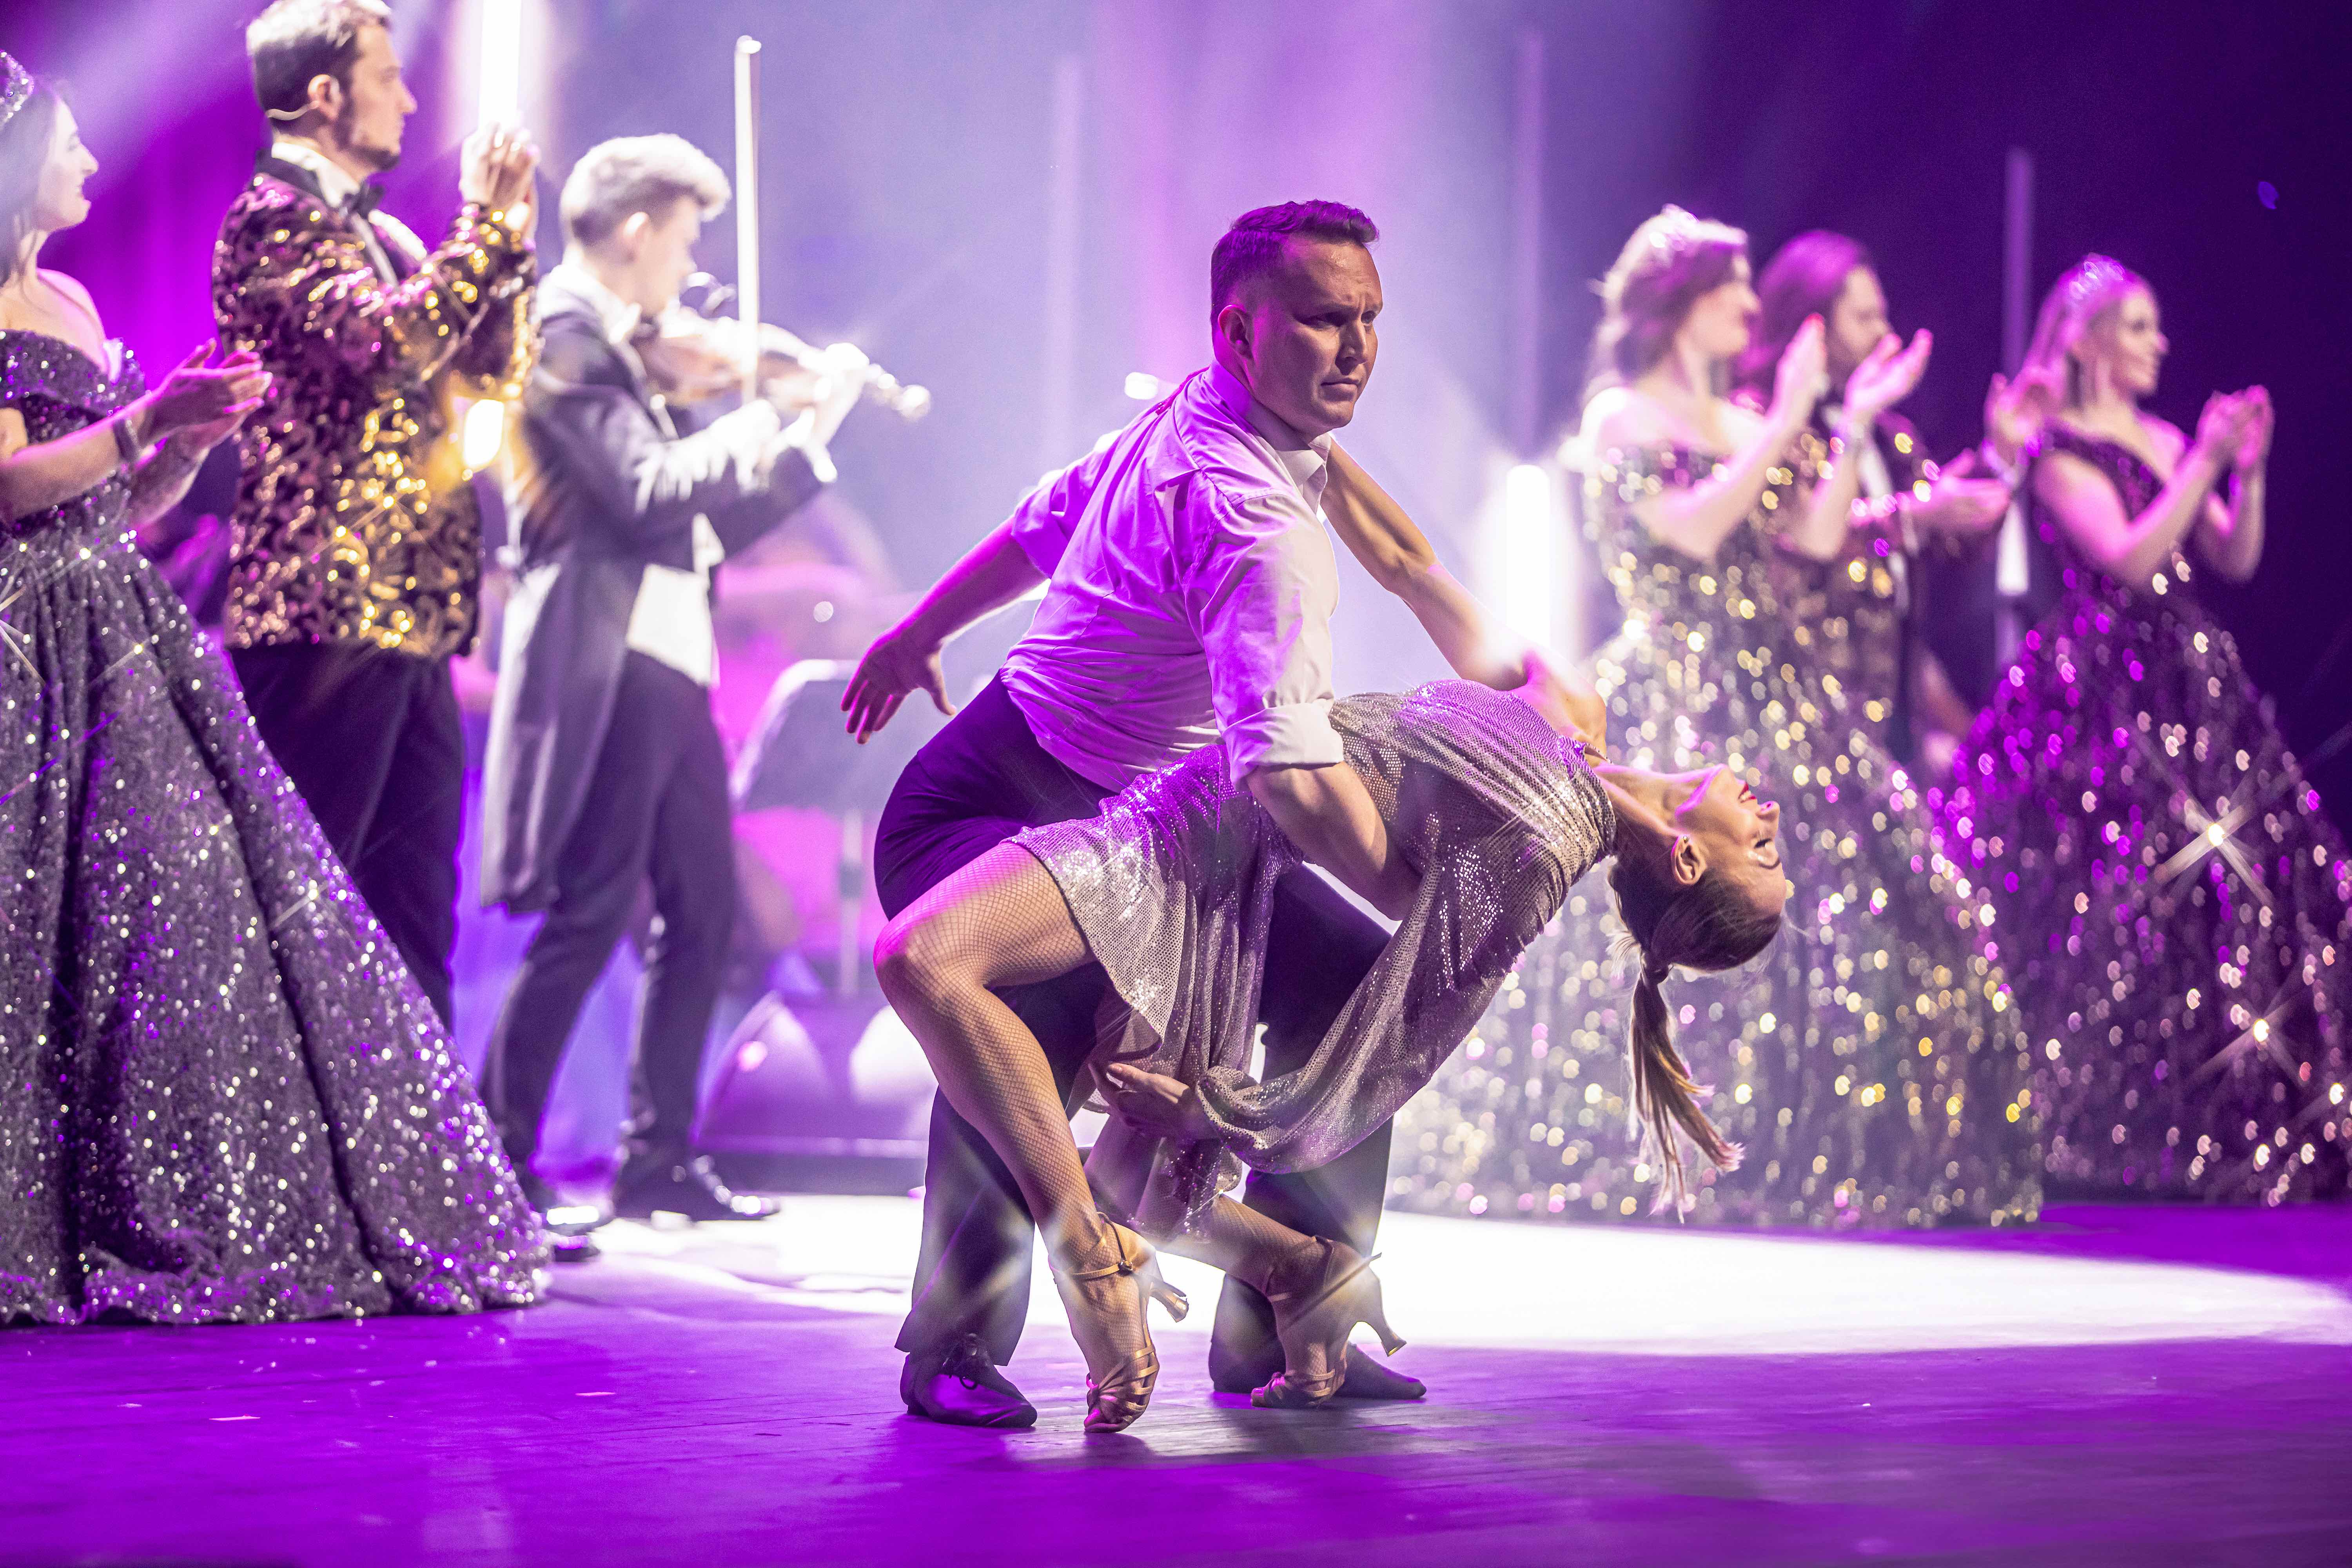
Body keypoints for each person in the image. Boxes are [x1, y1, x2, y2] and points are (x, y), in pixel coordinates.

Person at [843, 200, 1591, 1426]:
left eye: (1370, 319)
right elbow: (1289, 780)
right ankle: (955, 1342)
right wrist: (1430, 910)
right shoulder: (1255, 525)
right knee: (1028, 1009)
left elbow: (1042, 530)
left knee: (1350, 988)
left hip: (1150, 828)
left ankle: (1280, 1327)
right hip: (989, 804)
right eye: (1324, 320)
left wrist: (919, 631)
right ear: (1240, 334)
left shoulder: (1211, 414)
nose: (1357, 347)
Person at [876, 669, 1785, 1429]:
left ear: (1689, 863)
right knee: (1031, 1019)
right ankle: (1002, 1322)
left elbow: (1407, 1014)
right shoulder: (1564, 731)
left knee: (1341, 983)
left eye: (1766, 849)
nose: (1771, 812)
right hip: (1073, 794)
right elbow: (1401, 569)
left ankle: (1270, 1301)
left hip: (1205, 829)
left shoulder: (1547, 832)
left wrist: (1224, 1109)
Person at [0, 54, 543, 1324]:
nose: (93, 160)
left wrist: (183, 442)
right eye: (71, 143)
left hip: (125, 624)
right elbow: (14, 486)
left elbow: (122, 505)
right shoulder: (272, 220)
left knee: (194, 911)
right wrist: (149, 423)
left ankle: (368, 1174)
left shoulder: (72, 298)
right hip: (39, 637)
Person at [1403, 208, 2040, 1231]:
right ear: (1681, 305)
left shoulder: (1746, 421)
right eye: (1732, 286)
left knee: (1876, 904)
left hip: (1781, 680)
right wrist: (1786, 420)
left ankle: (1805, 1135)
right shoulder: (1624, 415)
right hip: (1670, 683)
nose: (1753, 303)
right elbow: (1691, 533)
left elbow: (1817, 538)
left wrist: (1852, 421)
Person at [479, 135, 861, 1237]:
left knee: (701, 909)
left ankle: (659, 1159)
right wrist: (759, 412)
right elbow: (650, 492)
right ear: (639, 230)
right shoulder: (563, 333)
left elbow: (701, 531)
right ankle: (495, 1157)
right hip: (617, 661)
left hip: (671, 652)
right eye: (686, 241)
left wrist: (810, 434)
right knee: (594, 904)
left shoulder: (628, 356)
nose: (691, 269)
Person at [1935, 256, 2349, 1201]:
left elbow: (2231, 557)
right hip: (2101, 692)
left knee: (2219, 901)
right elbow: (2127, 558)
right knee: (2109, 899)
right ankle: (2101, 1121)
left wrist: (2247, 471)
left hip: (2193, 685)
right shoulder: (2057, 450)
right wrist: (2202, 462)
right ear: (2087, 342)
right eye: (2138, 327)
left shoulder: (2164, 438)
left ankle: (2212, 1115)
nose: (2160, 344)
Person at [212, 0, 539, 1027]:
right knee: (305, 905)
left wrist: (511, 244)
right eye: (388, 77)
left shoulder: (386, 233)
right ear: (324, 94)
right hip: (324, 612)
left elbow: (491, 372)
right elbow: (390, 346)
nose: (407, 100)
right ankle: (276, 1125)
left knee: (415, 918)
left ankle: (426, 1132)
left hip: (413, 617)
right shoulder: (271, 217)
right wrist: (480, 230)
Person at [1733, 231, 2035, 772]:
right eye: (1864, 318)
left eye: (1882, 314)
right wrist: (1908, 517)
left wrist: (2000, 456)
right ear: (1811, 324)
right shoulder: (1762, 423)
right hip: (1799, 708)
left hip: (1891, 703)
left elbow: (1948, 531)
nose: (1884, 334)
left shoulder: (1891, 436)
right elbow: (1798, 545)